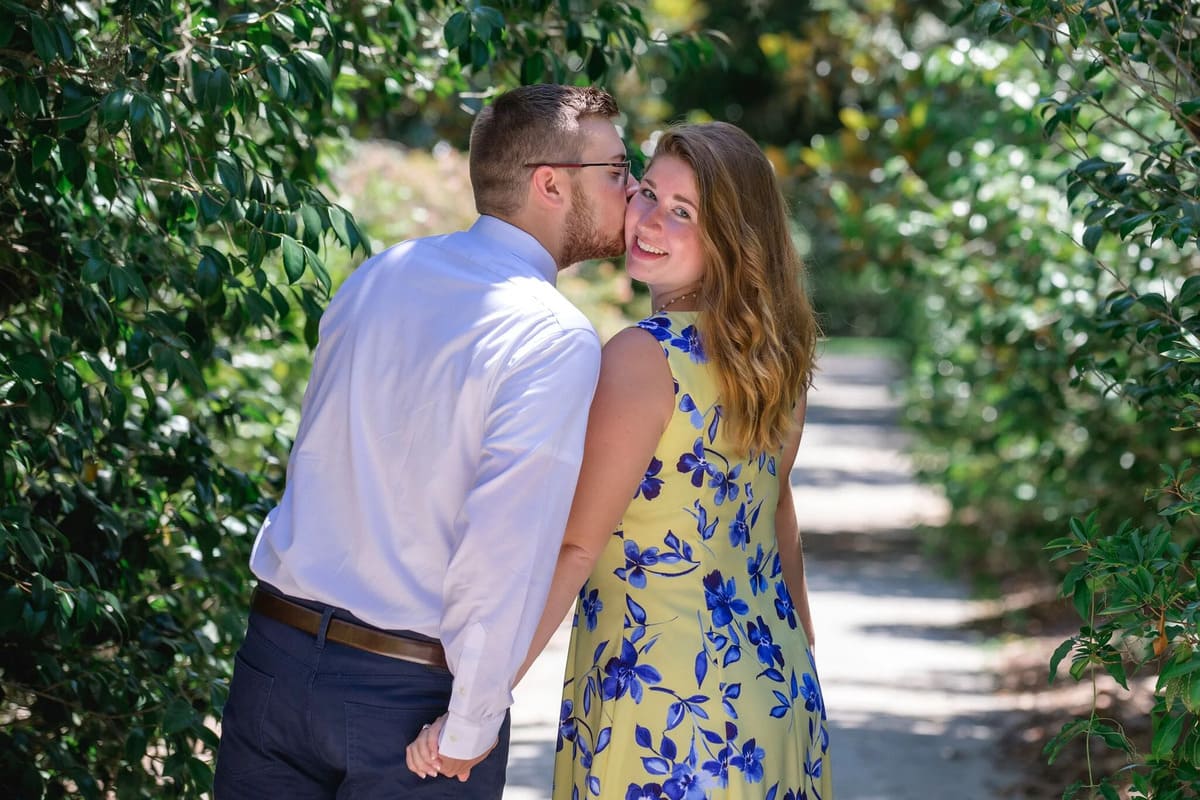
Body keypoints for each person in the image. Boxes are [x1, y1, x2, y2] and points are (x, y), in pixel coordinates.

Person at [213, 84, 638, 799]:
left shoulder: (381, 274)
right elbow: (501, 549)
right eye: (619, 170)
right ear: (551, 184)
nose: (634, 189)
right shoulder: (552, 336)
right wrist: (470, 724)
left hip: (274, 662)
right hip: (406, 699)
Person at [409, 120, 832, 799]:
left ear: (731, 238)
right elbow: (779, 521)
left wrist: (473, 716)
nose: (649, 222)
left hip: (668, 715)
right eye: (647, 194)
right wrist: (804, 665)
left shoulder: (643, 357)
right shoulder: (775, 360)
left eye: (683, 212)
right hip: (777, 696)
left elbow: (576, 547)